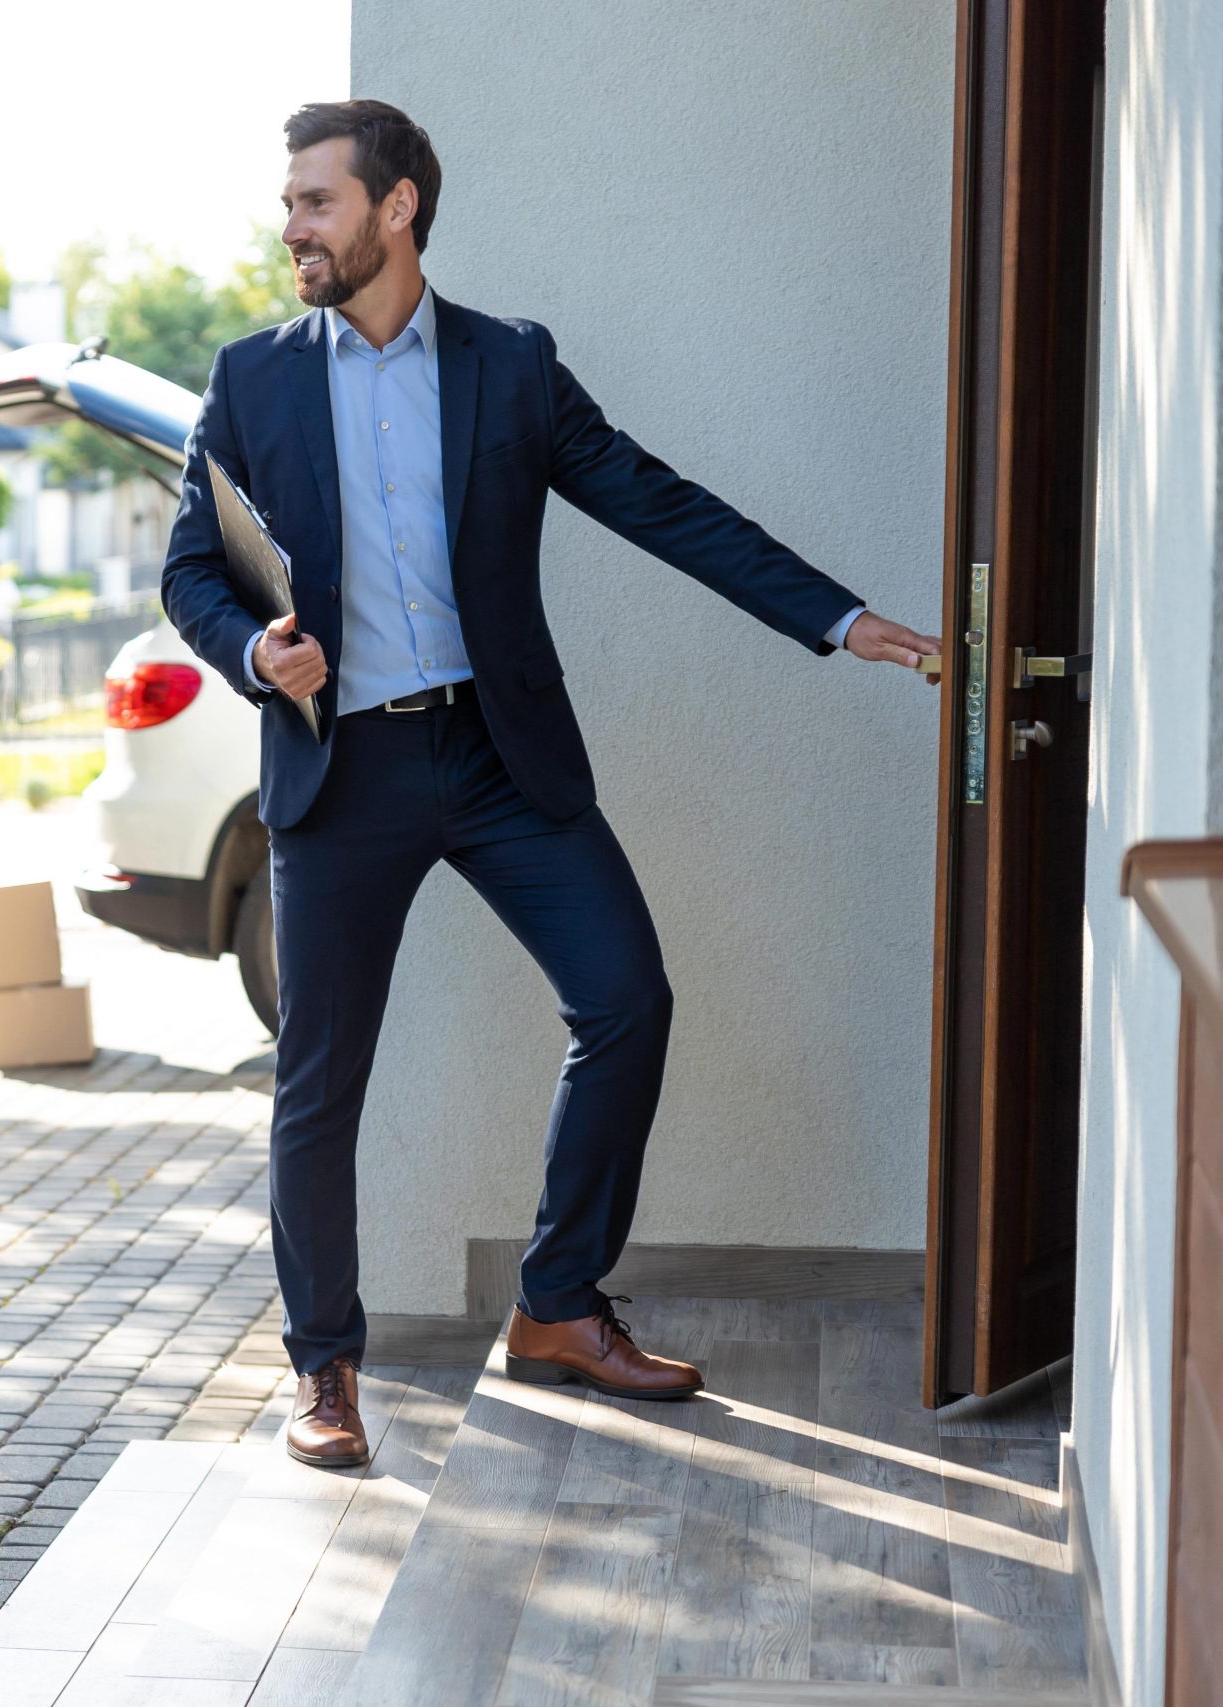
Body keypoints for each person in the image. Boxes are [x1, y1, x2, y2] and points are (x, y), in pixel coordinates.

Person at [162, 102, 945, 1466]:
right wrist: (253, 648)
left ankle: (556, 1307)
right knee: (320, 1077)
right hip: (342, 766)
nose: (291, 226)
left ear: (398, 209)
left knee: (628, 999)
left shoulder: (510, 367)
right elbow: (188, 571)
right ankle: (326, 1368)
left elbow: (656, 498)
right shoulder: (252, 378)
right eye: (289, 203)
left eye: (316, 203)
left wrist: (838, 617)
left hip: (495, 753)